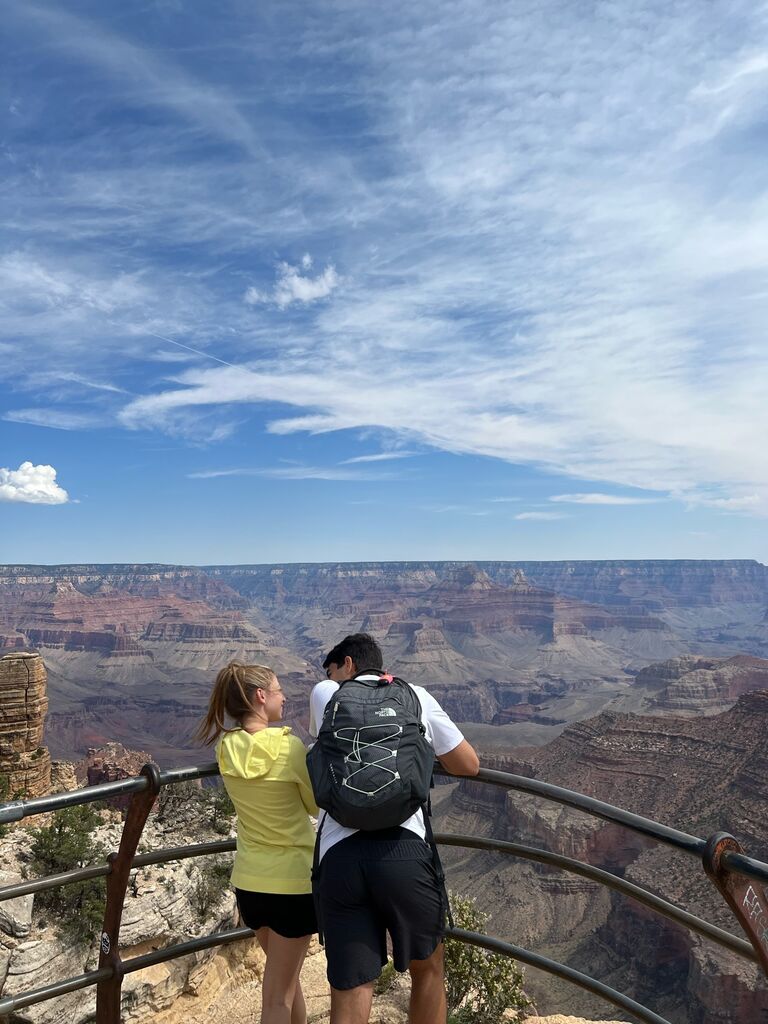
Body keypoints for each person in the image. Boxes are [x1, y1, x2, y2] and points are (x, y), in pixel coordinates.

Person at [309, 633, 480, 1024]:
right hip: (404, 852)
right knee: (428, 969)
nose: (330, 676)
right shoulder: (415, 695)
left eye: (334, 668)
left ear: (348, 665)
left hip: (340, 856)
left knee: (352, 985)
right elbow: (468, 764)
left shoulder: (325, 696)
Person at [196, 662, 318, 1024]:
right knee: (277, 999)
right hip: (294, 885)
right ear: (260, 697)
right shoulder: (290, 748)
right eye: (279, 690)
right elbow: (314, 803)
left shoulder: (226, 748)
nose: (284, 697)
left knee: (287, 984)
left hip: (250, 885)